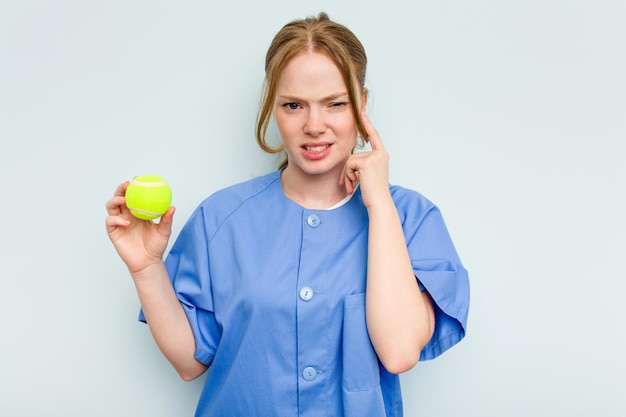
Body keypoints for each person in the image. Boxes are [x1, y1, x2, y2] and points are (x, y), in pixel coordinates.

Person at [105, 12, 469, 417]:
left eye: (335, 104)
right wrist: (146, 267)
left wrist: (379, 205)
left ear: (362, 105)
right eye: (294, 105)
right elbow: (190, 361)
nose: (314, 125)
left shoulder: (411, 218)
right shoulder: (222, 217)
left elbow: (400, 352)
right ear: (273, 107)